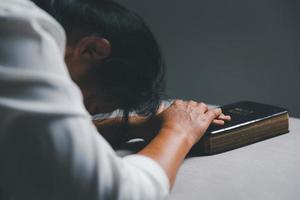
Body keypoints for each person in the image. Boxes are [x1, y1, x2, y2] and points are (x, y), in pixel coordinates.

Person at [0, 0, 230, 200]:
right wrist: (179, 130)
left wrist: (126, 126)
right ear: (93, 50)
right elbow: (114, 194)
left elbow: (25, 131)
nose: (84, 112)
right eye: (88, 103)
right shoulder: (18, 30)